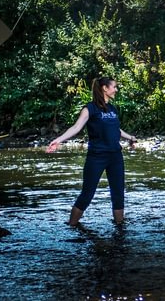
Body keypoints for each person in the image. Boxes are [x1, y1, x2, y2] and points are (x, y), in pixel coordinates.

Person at [46, 77, 137, 226]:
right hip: (97, 157)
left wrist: (131, 137)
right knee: (87, 194)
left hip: (115, 156)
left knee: (118, 194)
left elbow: (115, 129)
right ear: (104, 89)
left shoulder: (112, 109)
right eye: (114, 87)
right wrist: (58, 140)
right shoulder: (90, 108)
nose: (116, 89)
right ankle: (72, 225)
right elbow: (76, 128)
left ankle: (120, 228)